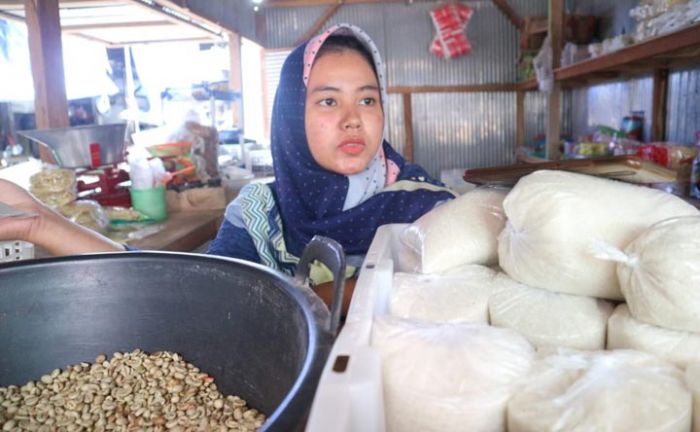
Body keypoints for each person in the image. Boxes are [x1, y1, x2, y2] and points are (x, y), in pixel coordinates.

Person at [0, 24, 456, 310]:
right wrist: (41, 225)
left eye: (368, 99)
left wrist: (313, 302)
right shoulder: (261, 211)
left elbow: (461, 285)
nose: (352, 117)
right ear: (292, 114)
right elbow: (191, 296)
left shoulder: (422, 200)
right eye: (328, 100)